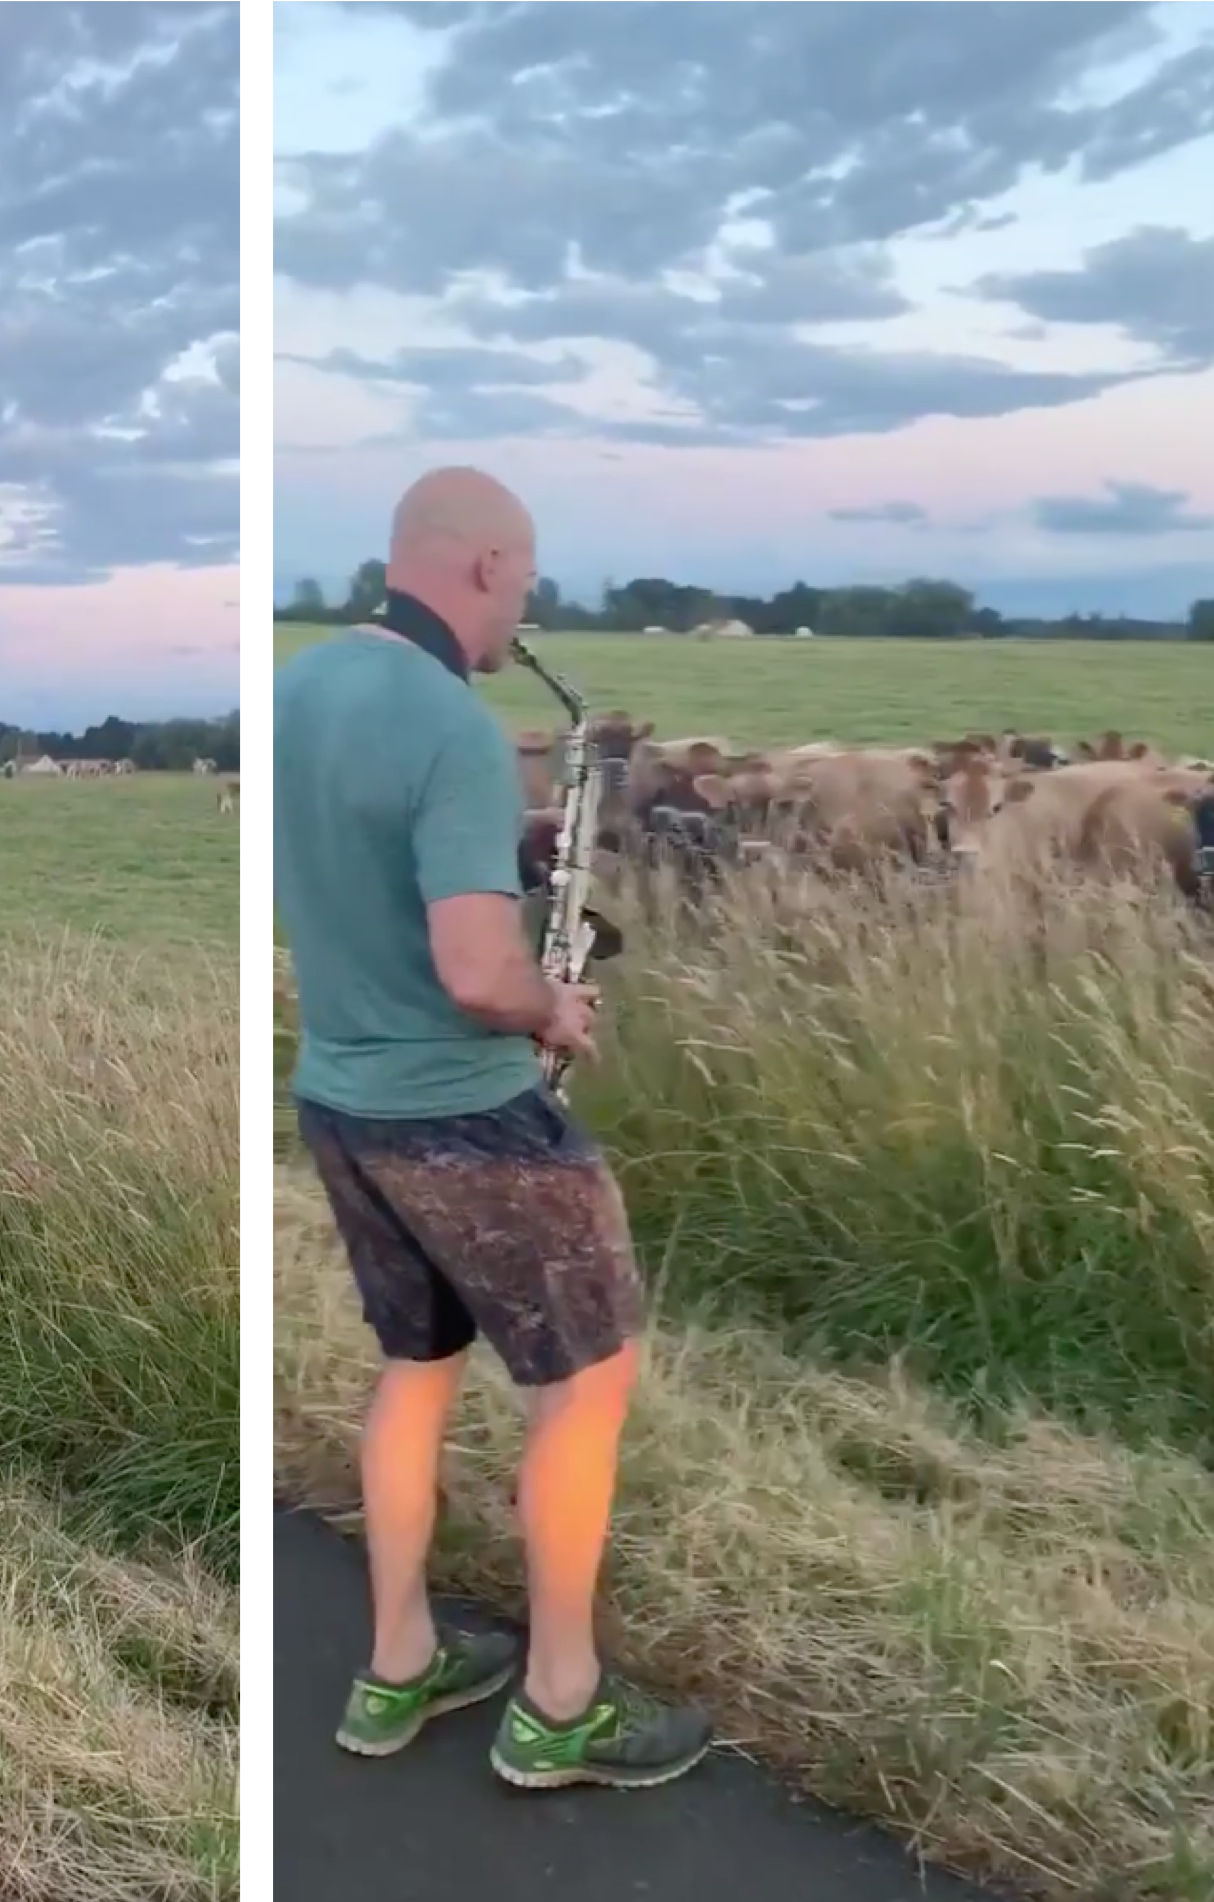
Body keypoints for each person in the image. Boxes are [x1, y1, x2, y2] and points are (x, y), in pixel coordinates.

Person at [269, 467, 715, 1791]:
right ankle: (560, 1703)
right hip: (461, 1111)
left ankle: (397, 1661)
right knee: (584, 1386)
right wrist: (556, 1006)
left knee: (416, 1365)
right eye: (522, 578)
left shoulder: (300, 688)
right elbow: (477, 973)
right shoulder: (452, 723)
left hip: (341, 1096)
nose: (526, 604)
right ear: (477, 568)